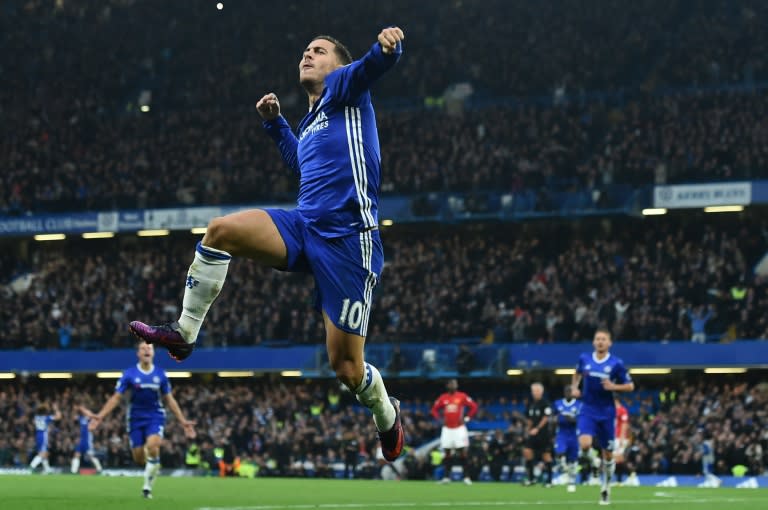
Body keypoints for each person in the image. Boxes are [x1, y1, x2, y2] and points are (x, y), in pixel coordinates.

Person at [127, 26, 406, 463]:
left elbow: (374, 65)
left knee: (348, 369)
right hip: (305, 226)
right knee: (220, 230)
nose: (307, 55)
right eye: (304, 50)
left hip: (349, 242)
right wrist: (276, 125)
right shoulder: (312, 119)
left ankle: (388, 416)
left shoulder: (345, 86)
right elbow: (302, 163)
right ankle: (183, 334)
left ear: (338, 63)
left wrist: (387, 49)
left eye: (318, 50)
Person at [89, 341, 196, 498]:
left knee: (153, 446)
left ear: (153, 353)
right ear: (138, 353)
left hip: (155, 416)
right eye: (143, 348)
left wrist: (183, 421)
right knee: (139, 458)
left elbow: (170, 399)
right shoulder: (129, 374)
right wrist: (100, 416)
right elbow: (116, 398)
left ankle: (147, 487)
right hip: (135, 419)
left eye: (149, 348)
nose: (147, 350)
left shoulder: (160, 374)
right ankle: (153, 464)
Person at [571, 328, 634, 505]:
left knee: (608, 455)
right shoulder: (585, 359)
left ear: (609, 343)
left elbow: (630, 386)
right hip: (588, 409)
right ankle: (593, 460)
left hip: (607, 413)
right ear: (593, 342)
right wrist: (575, 387)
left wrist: (614, 387)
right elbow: (576, 372)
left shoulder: (616, 364)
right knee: (585, 444)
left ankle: (606, 487)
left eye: (603, 339)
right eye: (597, 339)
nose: (600, 342)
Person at [431, 379, 478, 484]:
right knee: (447, 453)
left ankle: (466, 477)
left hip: (459, 428)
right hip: (447, 429)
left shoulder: (462, 396)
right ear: (447, 386)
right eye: (451, 384)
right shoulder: (443, 398)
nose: (454, 385)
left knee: (462, 452)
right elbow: (434, 409)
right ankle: (447, 477)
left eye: (455, 384)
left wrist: (467, 418)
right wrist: (439, 419)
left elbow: (474, 407)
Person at [523, 382, 554, 487]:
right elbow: (529, 419)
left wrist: (537, 428)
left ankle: (549, 480)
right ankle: (531, 479)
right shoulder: (531, 404)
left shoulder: (545, 403)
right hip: (533, 433)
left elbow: (546, 418)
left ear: (541, 391)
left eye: (537, 390)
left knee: (546, 456)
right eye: (533, 391)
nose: (535, 393)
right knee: (527, 452)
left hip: (543, 434)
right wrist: (528, 429)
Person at [554, 384, 582, 492]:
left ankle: (571, 481)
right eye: (566, 391)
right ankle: (563, 469)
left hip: (574, 434)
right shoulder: (558, 403)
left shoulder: (579, 405)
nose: (568, 393)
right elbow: (553, 417)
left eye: (570, 391)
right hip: (562, 433)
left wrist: (568, 418)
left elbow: (578, 420)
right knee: (559, 452)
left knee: (573, 460)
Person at [29, 403, 62, 474]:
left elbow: (33, 422)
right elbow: (59, 417)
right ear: (45, 412)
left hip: (38, 435)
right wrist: (56, 408)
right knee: (43, 453)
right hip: (43, 436)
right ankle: (32, 466)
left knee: (45, 453)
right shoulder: (46, 418)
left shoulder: (36, 417)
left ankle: (47, 469)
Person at [71, 405, 103, 474]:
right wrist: (75, 410)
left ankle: (99, 469)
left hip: (87, 440)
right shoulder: (81, 418)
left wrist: (81, 408)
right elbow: (74, 417)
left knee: (90, 456)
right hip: (81, 439)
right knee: (77, 454)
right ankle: (73, 471)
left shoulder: (90, 418)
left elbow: (94, 417)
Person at [612, 397, 629, 484]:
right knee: (615, 458)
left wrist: (622, 437)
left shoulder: (622, 410)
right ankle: (618, 479)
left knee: (618, 458)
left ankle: (623, 478)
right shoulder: (612, 410)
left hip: (620, 438)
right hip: (614, 437)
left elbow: (624, 424)